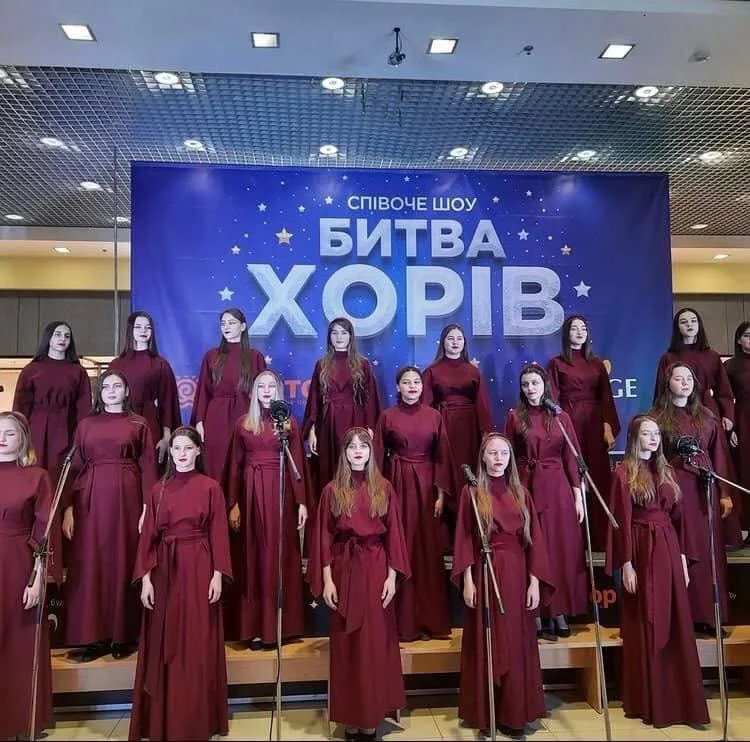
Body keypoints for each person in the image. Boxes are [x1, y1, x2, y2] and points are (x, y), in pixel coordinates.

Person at [129, 426, 232, 741]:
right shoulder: (157, 490)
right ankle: (165, 718)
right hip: (165, 571)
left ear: (198, 451)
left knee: (197, 640)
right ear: (170, 453)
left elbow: (218, 532)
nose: (183, 454)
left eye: (188, 448)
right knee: (168, 641)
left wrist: (217, 574)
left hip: (200, 567)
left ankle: (198, 718)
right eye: (177, 448)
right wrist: (146, 579)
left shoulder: (211, 487)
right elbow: (148, 538)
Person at [307, 427, 410, 742]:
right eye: (351, 446)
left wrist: (392, 576)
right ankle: (350, 718)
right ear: (344, 452)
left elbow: (394, 534)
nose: (357, 450)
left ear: (370, 451)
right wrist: (327, 579)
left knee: (373, 645)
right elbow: (322, 538)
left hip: (375, 568)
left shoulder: (384, 488)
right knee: (347, 647)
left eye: (363, 445)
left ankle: (370, 718)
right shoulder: (331, 491)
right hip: (344, 570)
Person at [606, 415, 709, 728]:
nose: (653, 438)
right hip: (641, 549)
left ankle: (677, 699)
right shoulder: (623, 473)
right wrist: (626, 563)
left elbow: (679, 519)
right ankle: (649, 700)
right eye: (646, 433)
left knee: (675, 620)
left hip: (668, 548)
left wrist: (682, 560)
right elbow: (621, 522)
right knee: (646, 622)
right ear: (634, 438)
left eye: (656, 434)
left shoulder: (667, 471)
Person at [453, 433, 553, 736]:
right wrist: (467, 579)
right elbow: (464, 538)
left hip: (517, 574)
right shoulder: (471, 493)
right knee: (488, 641)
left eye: (504, 454)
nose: (499, 459)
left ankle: (515, 714)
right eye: (493, 453)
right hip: (485, 573)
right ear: (483, 457)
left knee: (515, 641)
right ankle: (488, 714)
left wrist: (534, 582)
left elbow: (534, 541)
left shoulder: (522, 493)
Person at [62, 370, 157, 660]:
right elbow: (74, 468)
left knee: (122, 561)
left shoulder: (139, 423)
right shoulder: (85, 425)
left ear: (127, 391)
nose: (112, 390)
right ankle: (93, 638)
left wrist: (147, 508)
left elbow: (148, 466)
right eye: (106, 386)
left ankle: (122, 635)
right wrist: (68, 508)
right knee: (92, 564)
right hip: (89, 501)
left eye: (117, 386)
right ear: (99, 392)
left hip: (127, 499)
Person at [224, 369, 309, 648]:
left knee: (279, 556)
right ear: (254, 392)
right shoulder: (243, 424)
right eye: (262, 386)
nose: (267, 390)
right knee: (255, 558)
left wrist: (301, 502)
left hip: (281, 493)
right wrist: (233, 503)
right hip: (251, 494)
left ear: (278, 391)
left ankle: (281, 627)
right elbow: (234, 467)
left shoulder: (288, 424)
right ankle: (257, 627)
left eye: (272, 386)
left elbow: (298, 465)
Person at [650, 363, 736, 633]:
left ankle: (710, 616)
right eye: (679, 378)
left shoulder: (707, 416)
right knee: (682, 552)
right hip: (673, 491)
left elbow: (719, 456)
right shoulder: (655, 418)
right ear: (668, 383)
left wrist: (725, 494)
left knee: (709, 553)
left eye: (689, 378)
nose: (685, 383)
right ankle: (681, 618)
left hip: (704, 491)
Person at [503, 363, 587, 641]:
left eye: (535, 383)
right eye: (525, 384)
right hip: (527, 486)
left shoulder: (561, 417)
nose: (530, 389)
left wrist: (578, 495)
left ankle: (558, 611)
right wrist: (511, 493)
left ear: (545, 386)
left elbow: (571, 458)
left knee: (559, 550)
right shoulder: (515, 417)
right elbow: (508, 458)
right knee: (534, 547)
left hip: (558, 488)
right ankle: (536, 613)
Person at [374, 365, 454, 641]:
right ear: (398, 387)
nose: (412, 387)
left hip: (427, 488)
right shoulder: (387, 416)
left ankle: (430, 620)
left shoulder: (434, 416)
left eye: (416, 382)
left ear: (422, 387)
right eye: (406, 382)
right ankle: (403, 623)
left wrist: (441, 495)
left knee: (427, 551)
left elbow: (443, 457)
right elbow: (376, 457)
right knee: (401, 547)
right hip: (397, 484)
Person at [13, 321, 91, 573]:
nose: (62, 339)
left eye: (67, 335)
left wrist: (80, 442)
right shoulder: (30, 370)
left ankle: (57, 563)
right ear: (48, 338)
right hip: (35, 435)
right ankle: (29, 557)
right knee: (34, 490)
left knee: (60, 491)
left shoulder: (78, 372)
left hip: (66, 437)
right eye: (58, 334)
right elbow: (19, 412)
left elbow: (84, 412)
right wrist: (20, 445)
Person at [0, 411, 55, 739]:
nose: (1, 438)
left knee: (20, 645)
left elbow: (44, 531)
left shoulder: (37, 477)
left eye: (9, 433)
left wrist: (37, 578)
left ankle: (20, 721)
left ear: (22, 438)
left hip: (19, 564)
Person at [547, 315, 620, 550]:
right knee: (570, 475)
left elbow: (606, 398)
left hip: (594, 424)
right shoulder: (556, 363)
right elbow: (552, 399)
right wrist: (557, 427)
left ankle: (599, 539)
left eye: (583, 329)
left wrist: (607, 426)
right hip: (569, 422)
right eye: (574, 328)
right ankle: (572, 538)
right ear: (566, 333)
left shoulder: (596, 364)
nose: (579, 332)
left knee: (596, 475)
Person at [302, 317, 382, 497]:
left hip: (355, 420)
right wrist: (312, 430)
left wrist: (370, 427)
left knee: (354, 464)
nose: (339, 337)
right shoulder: (321, 364)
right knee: (329, 469)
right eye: (335, 333)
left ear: (350, 336)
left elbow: (370, 398)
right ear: (329, 336)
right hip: (327, 424)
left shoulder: (362, 364)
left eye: (344, 333)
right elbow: (314, 399)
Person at [191, 308, 266, 480]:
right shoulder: (211, 356)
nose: (226, 327)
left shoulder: (255, 357)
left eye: (231, 323)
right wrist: (200, 422)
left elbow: (262, 394)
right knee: (216, 464)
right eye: (223, 323)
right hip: (216, 417)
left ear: (243, 326)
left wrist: (262, 421)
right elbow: (203, 391)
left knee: (243, 463)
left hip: (246, 415)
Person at [422, 324, 493, 496]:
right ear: (443, 342)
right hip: (443, 425)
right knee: (445, 464)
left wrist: (485, 432)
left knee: (468, 465)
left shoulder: (473, 371)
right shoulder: (431, 371)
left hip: (468, 427)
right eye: (451, 338)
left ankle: (468, 503)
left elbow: (482, 403)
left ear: (464, 343)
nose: (455, 342)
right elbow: (425, 405)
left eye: (459, 339)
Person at [109, 311, 181, 467]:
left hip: (150, 422)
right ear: (130, 330)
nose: (143, 330)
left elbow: (168, 402)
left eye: (148, 327)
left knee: (149, 468)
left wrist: (167, 436)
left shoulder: (160, 364)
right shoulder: (116, 364)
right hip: (121, 422)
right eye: (138, 327)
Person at [653, 308, 734, 431]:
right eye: (684, 322)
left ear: (699, 325)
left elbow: (724, 390)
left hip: (708, 409)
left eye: (693, 321)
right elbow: (661, 392)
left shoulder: (712, 356)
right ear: (677, 327)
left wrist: (728, 414)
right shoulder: (668, 358)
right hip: (677, 411)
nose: (689, 325)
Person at [725, 321, 750, 529]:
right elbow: (724, 398)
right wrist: (731, 427)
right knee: (745, 470)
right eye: (747, 335)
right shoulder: (730, 366)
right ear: (739, 340)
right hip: (743, 420)